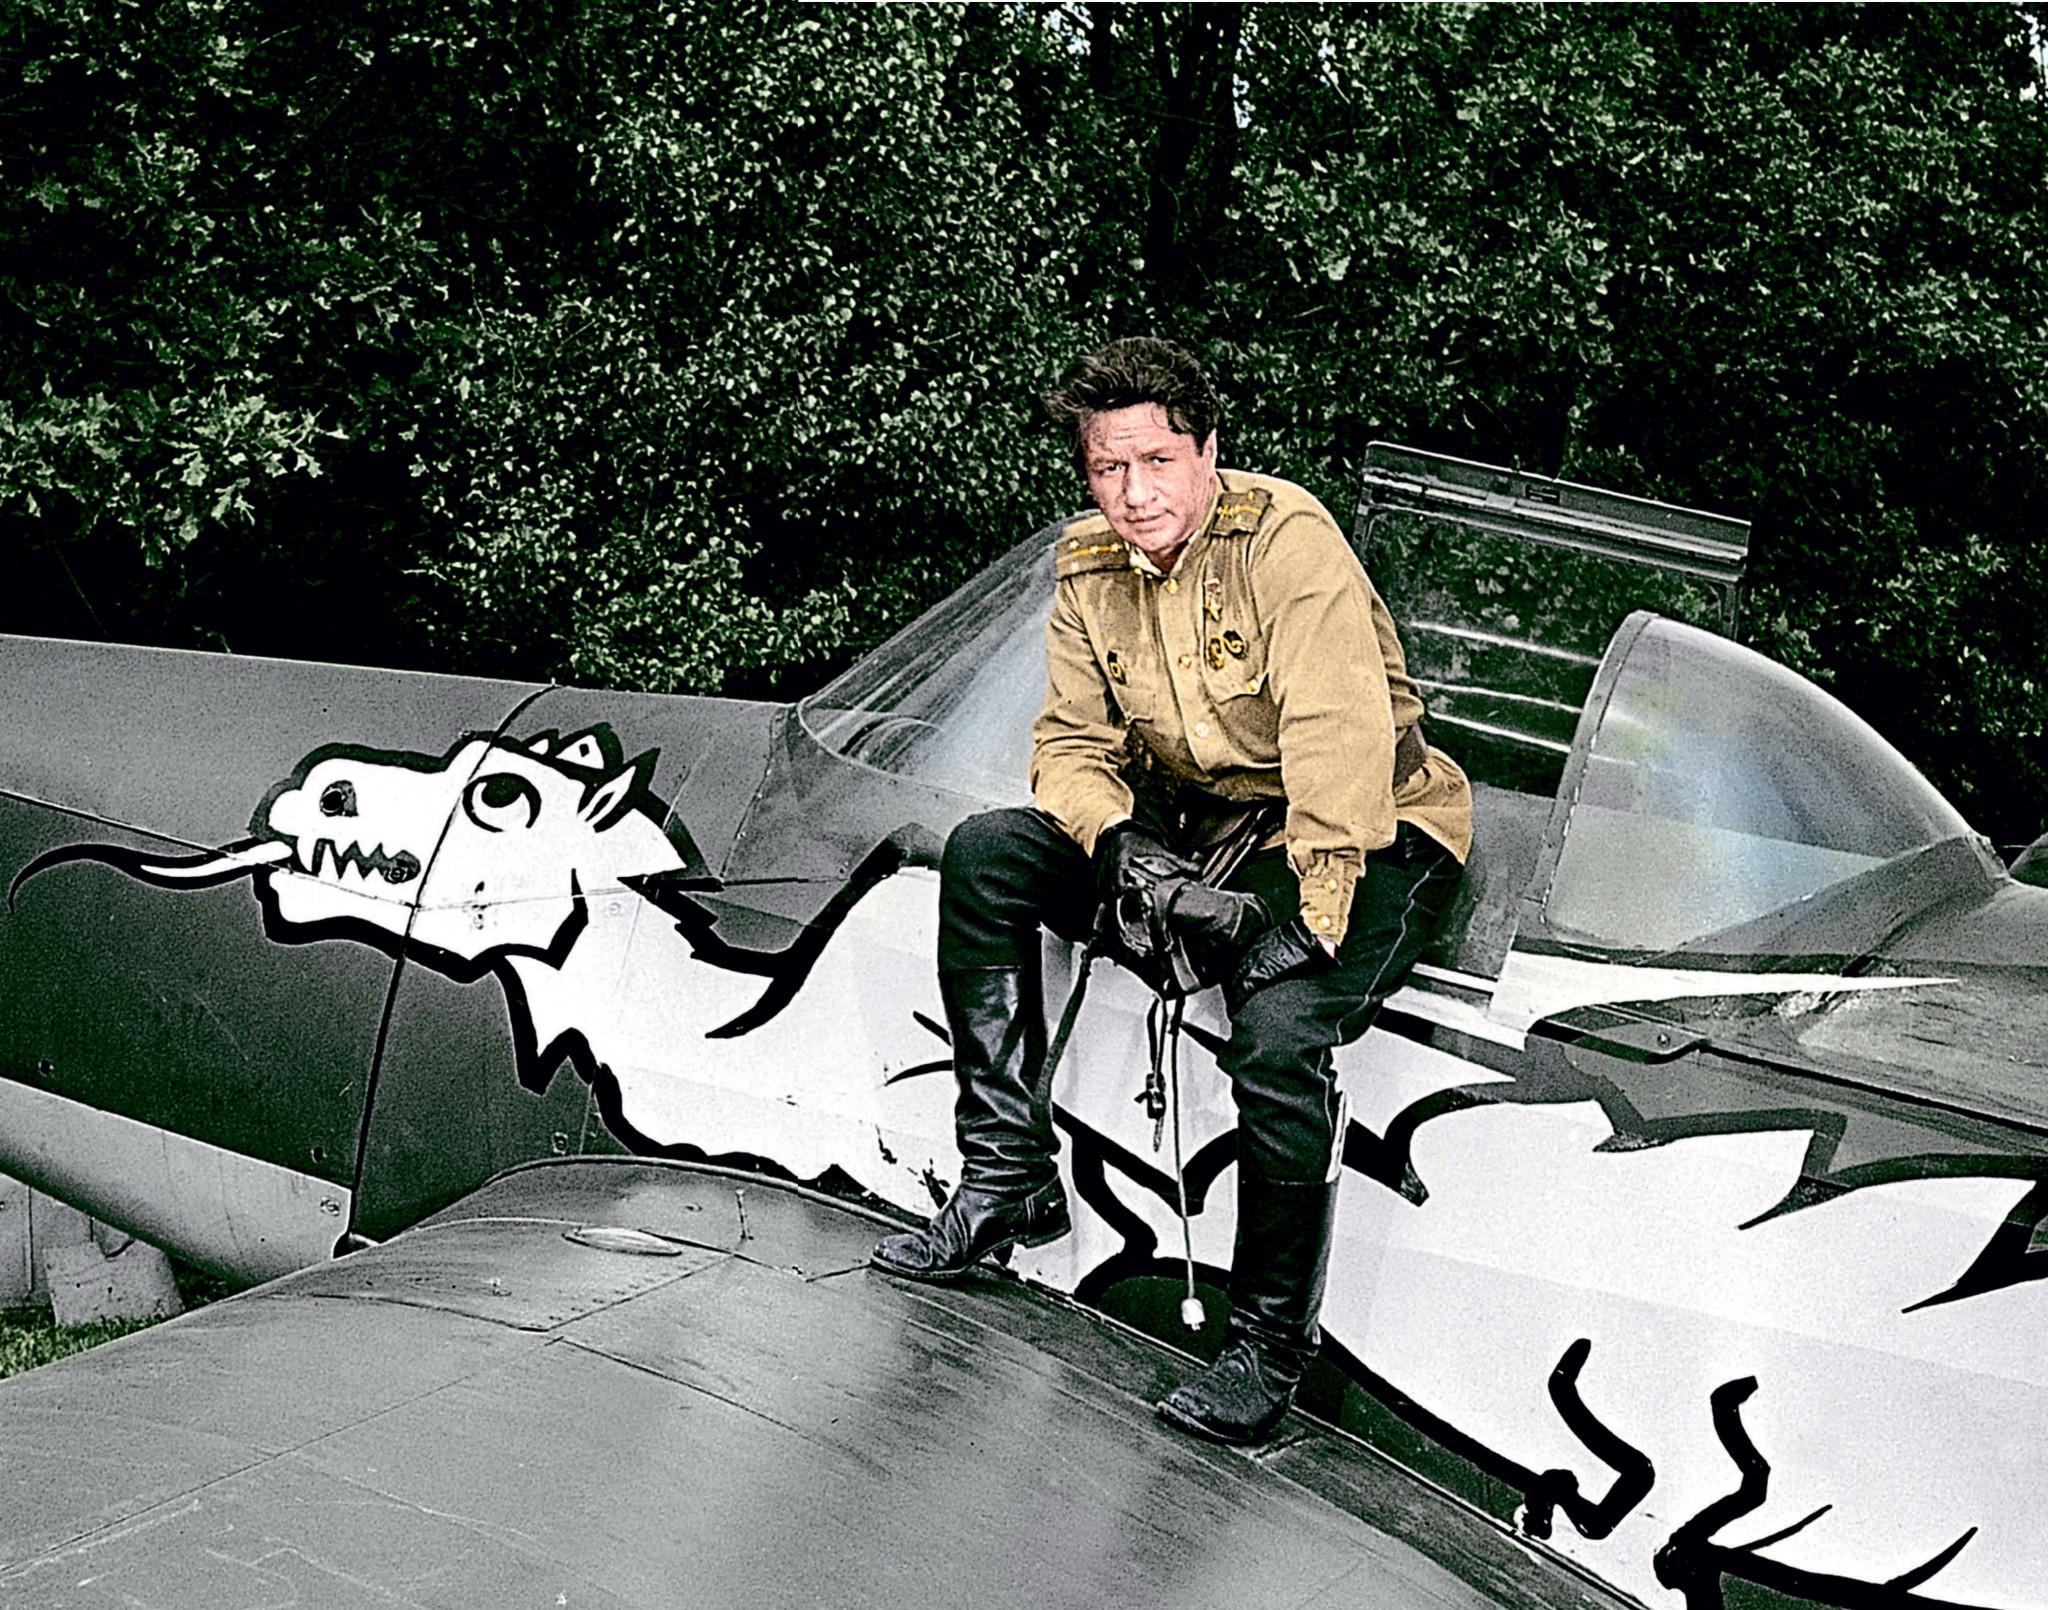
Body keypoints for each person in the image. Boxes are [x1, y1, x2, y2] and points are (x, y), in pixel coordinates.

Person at [870, 336, 1472, 1446]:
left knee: (1279, 1031)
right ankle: (1006, 1177)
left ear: (1206, 452)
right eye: (1108, 468)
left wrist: (1311, 918)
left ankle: (1266, 1345)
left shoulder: (1286, 540)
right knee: (988, 853)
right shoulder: (1087, 565)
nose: (1133, 493)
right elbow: (1069, 744)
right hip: (1203, 823)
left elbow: (1337, 737)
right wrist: (1128, 853)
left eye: (1156, 461)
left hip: (1365, 825)